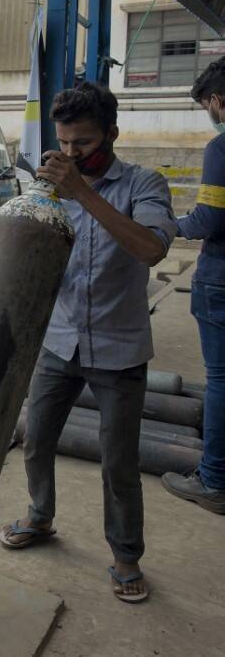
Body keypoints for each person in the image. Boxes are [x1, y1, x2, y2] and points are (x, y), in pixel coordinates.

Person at [0, 83, 176, 604]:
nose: (72, 154)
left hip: (119, 348)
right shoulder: (52, 186)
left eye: (85, 143)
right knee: (36, 439)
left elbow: (151, 249)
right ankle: (40, 515)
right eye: (64, 144)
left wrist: (82, 193)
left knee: (118, 461)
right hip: (60, 339)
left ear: (112, 134)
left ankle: (126, 555)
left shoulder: (144, 184)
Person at [163, 58, 225, 515]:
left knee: (220, 379)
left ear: (217, 100)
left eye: (207, 106)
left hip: (221, 279)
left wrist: (168, 226)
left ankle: (214, 480)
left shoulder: (221, 148)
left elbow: (208, 219)